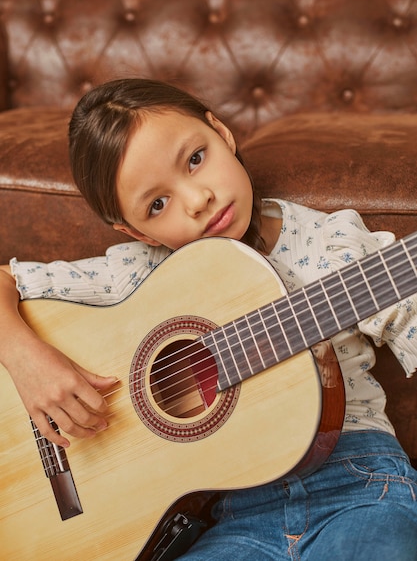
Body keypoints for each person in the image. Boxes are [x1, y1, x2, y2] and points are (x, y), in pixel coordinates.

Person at [1, 78, 417, 560]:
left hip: (361, 488)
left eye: (195, 159)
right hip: (234, 522)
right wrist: (25, 359)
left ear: (220, 131)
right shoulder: (140, 272)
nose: (198, 200)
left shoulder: (332, 244)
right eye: (158, 204)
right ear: (135, 231)